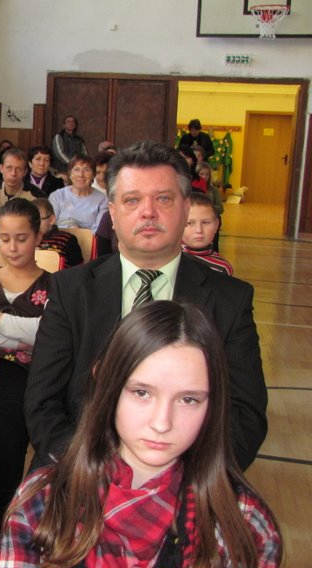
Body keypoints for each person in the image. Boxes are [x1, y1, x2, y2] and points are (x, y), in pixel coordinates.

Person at [0, 301, 281, 568]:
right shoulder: (44, 501)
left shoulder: (243, 523)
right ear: (107, 385)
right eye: (142, 392)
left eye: (188, 399)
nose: (162, 423)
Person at [24, 141, 268, 472]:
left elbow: (245, 415)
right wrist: (94, 473)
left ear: (186, 208)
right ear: (113, 214)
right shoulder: (71, 290)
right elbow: (42, 402)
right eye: (132, 200)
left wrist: (177, 484)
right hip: (78, 467)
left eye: (163, 199)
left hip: (189, 479)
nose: (148, 212)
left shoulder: (229, 300)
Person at [0, 199, 49, 567]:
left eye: (22, 238)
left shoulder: (56, 285)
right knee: (4, 446)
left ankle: (19, 531)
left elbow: (51, 335)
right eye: (5, 239)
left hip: (33, 377)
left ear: (38, 237)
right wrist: (26, 338)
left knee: (15, 446)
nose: (13, 247)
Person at [47, 155, 108, 232]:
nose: (81, 174)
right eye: (76, 169)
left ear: (93, 175)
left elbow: (99, 230)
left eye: (86, 170)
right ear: (70, 173)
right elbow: (50, 225)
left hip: (90, 239)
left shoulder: (103, 200)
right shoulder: (57, 196)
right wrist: (71, 225)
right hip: (60, 238)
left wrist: (80, 232)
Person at [182, 193, 233, 275]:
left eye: (205, 222)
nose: (199, 230)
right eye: (190, 223)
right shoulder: (165, 258)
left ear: (216, 225)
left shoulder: (222, 268)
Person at [0, 148, 46, 218]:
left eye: (18, 169)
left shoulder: (36, 196)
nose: (13, 173)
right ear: (1, 168)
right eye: (9, 168)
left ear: (25, 172)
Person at [32, 198, 83, 268]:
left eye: (38, 220)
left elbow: (79, 269)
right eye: (31, 221)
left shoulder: (67, 239)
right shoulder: (28, 240)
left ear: (51, 220)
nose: (34, 225)